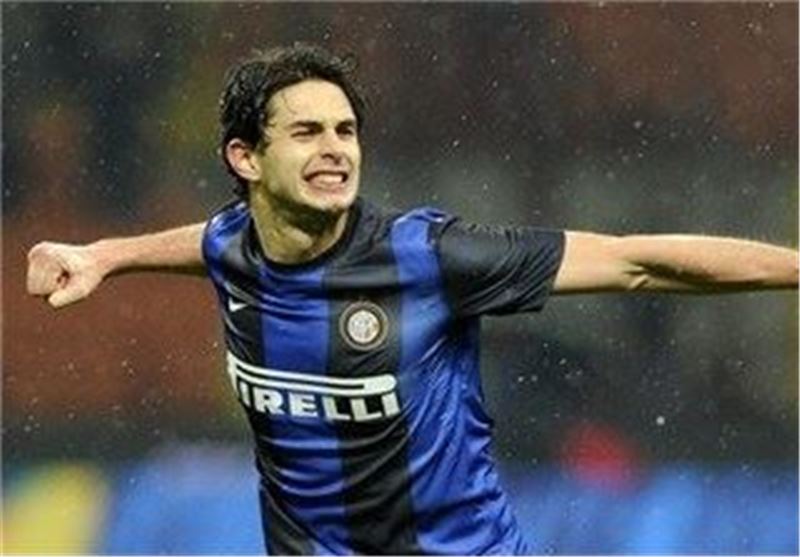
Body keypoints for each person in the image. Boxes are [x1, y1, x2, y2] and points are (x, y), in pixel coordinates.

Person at [26, 44, 798, 555]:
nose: (336, 148)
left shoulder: (428, 257)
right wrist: (104, 256)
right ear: (246, 158)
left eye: (346, 130)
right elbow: (210, 240)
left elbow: (635, 264)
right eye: (307, 132)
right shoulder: (234, 243)